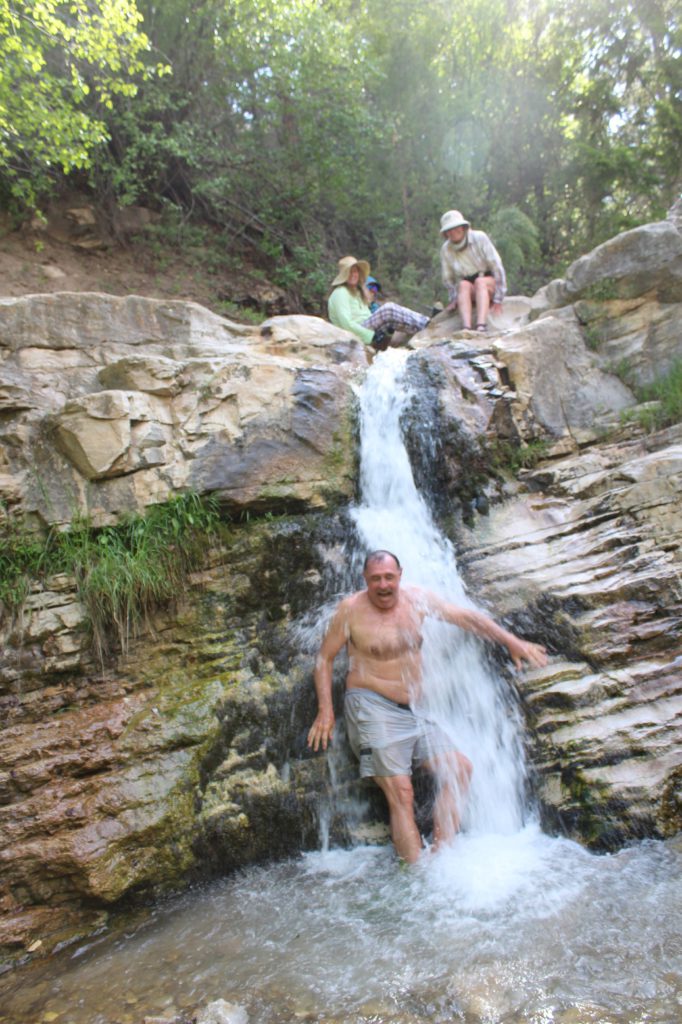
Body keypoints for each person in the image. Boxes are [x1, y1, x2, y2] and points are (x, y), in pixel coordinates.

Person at [307, 549, 548, 864]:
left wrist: (511, 642)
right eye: (376, 578)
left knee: (460, 769)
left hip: (412, 712)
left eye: (389, 577)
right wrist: (326, 711)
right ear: (365, 579)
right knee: (401, 792)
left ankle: (443, 860)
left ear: (400, 575)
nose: (383, 585)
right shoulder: (351, 611)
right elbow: (324, 658)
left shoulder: (417, 600)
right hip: (369, 705)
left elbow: (465, 617)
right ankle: (416, 875)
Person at [327, 256, 429, 352]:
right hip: (357, 331)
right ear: (344, 275)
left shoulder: (357, 292)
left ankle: (423, 332)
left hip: (365, 327)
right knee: (388, 310)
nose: (354, 275)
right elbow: (346, 324)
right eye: (350, 272)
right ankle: (426, 323)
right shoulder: (340, 293)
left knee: (393, 322)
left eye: (355, 271)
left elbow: (367, 315)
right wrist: (370, 335)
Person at [439, 210, 507, 333]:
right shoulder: (446, 249)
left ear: (463, 227)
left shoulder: (479, 237)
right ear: (446, 233)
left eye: (456, 227)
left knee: (480, 282)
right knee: (463, 285)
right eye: (449, 230)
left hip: (487, 281)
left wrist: (498, 298)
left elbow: (496, 266)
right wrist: (454, 298)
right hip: (468, 284)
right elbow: (448, 278)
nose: (453, 232)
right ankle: (466, 328)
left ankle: (481, 325)